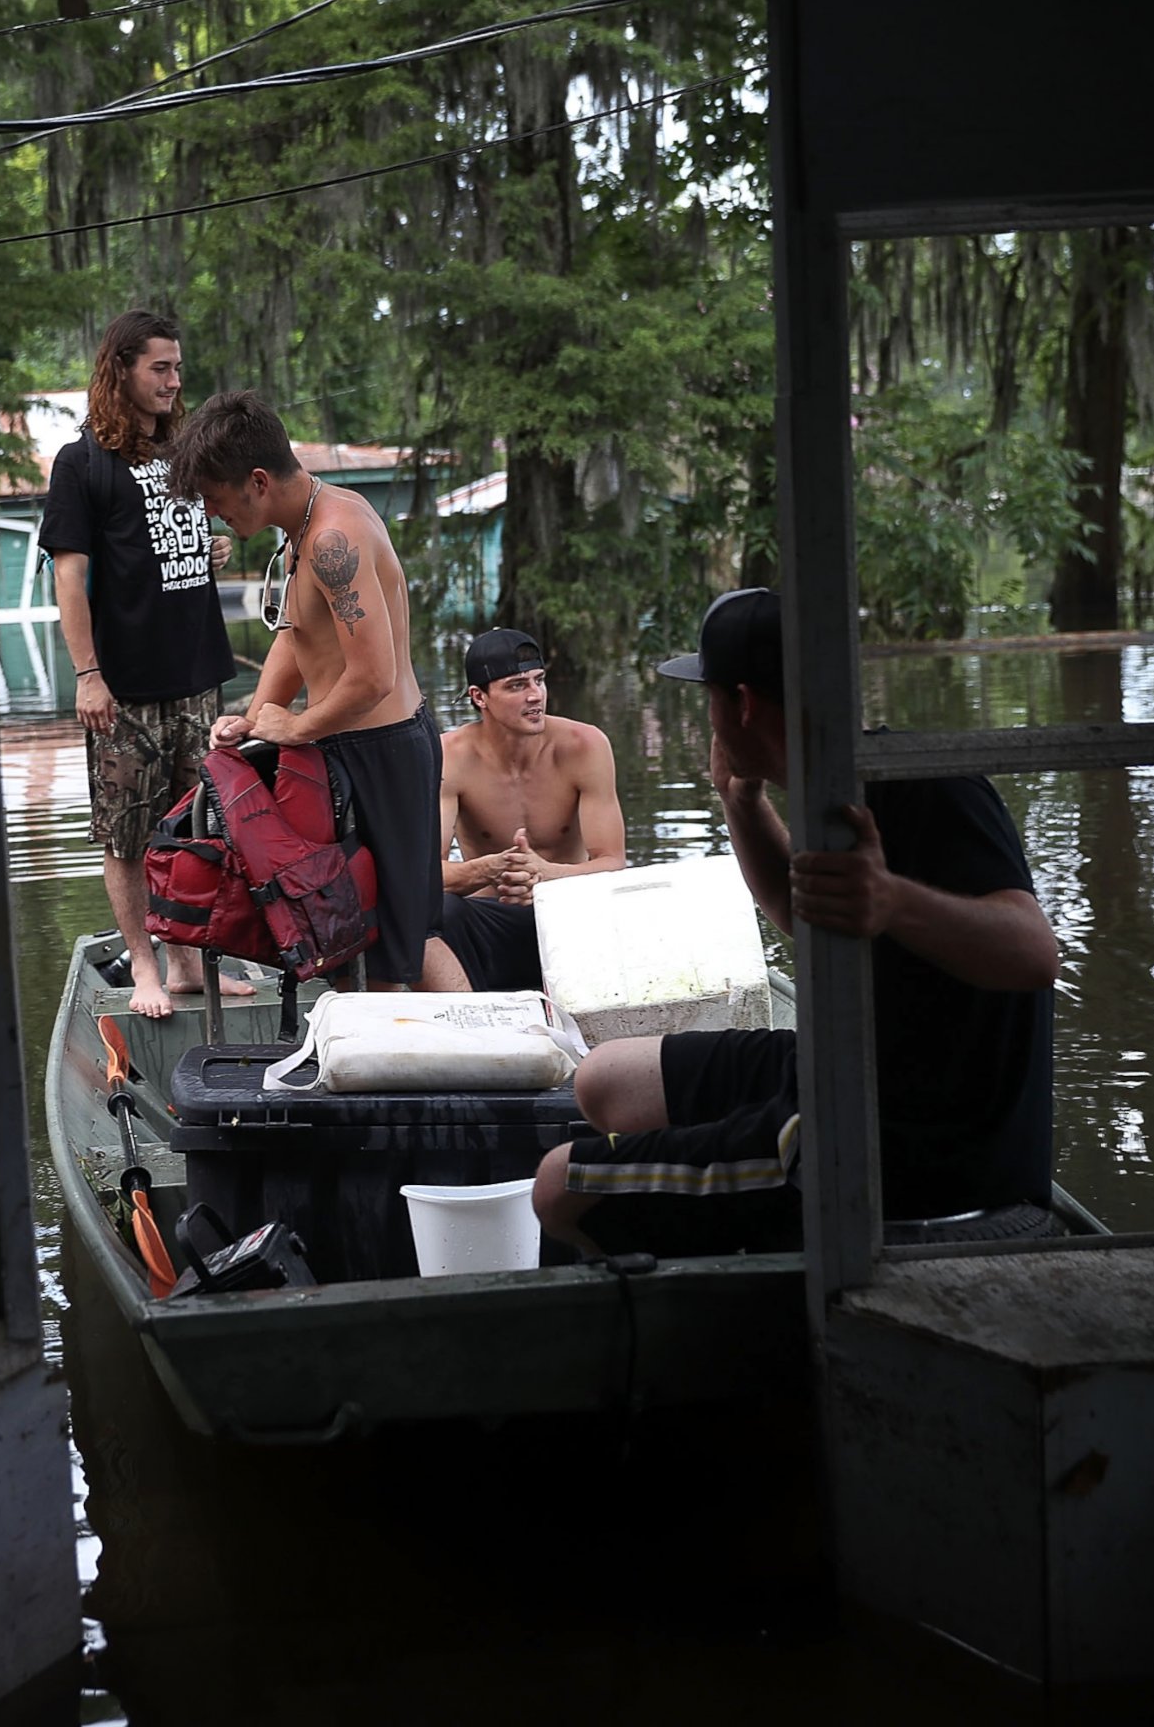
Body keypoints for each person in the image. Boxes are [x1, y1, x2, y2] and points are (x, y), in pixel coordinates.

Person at [531, 588, 1058, 1258]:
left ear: (743, 704)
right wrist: (739, 798)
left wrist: (893, 899)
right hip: (846, 1069)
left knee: (555, 1186)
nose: (708, 716)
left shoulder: (923, 783)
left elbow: (1036, 952)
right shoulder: (828, 784)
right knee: (605, 1078)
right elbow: (798, 910)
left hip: (902, 1152)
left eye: (711, 697)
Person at [167, 390, 465, 991]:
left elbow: (375, 675)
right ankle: (374, 1059)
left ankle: (488, 1054)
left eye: (215, 499)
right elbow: (295, 635)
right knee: (347, 929)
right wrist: (256, 718)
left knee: (405, 938)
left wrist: (298, 727)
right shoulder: (301, 528)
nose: (213, 514)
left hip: (386, 751)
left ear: (256, 481)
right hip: (342, 745)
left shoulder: (335, 538)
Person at [40, 310, 245, 1019]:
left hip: (198, 676)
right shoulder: (83, 462)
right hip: (125, 688)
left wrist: (211, 548)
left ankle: (187, 960)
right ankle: (148, 966)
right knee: (128, 834)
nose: (174, 380)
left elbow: (176, 538)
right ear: (120, 368)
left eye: (178, 368)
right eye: (160, 367)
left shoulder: (183, 450)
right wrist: (87, 674)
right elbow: (71, 578)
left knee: (194, 829)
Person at [434, 627, 625, 992]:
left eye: (539, 680)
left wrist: (545, 875)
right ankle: (468, 1016)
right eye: (517, 685)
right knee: (437, 912)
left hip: (569, 919)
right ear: (479, 697)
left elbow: (613, 864)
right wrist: (489, 869)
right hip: (490, 924)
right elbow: (427, 876)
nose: (536, 696)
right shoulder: (450, 757)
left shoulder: (585, 745)